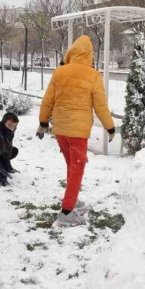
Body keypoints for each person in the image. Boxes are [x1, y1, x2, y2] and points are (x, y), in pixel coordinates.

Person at [37, 35, 115, 227]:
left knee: (72, 166)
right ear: (90, 55)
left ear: (71, 52)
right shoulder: (93, 75)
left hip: (61, 129)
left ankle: (72, 199)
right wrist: (110, 127)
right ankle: (66, 212)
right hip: (78, 131)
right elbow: (101, 106)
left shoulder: (59, 72)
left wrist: (43, 123)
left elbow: (48, 100)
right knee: (77, 169)